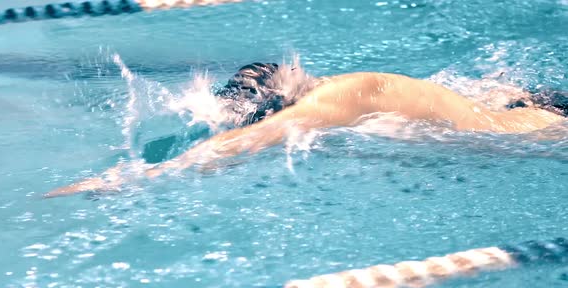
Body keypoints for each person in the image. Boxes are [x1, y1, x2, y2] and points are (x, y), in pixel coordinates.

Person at [44, 63, 567, 198]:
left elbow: (240, 142)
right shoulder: (347, 88)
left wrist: (133, 180)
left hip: (540, 131)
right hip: (517, 109)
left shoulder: (335, 100)